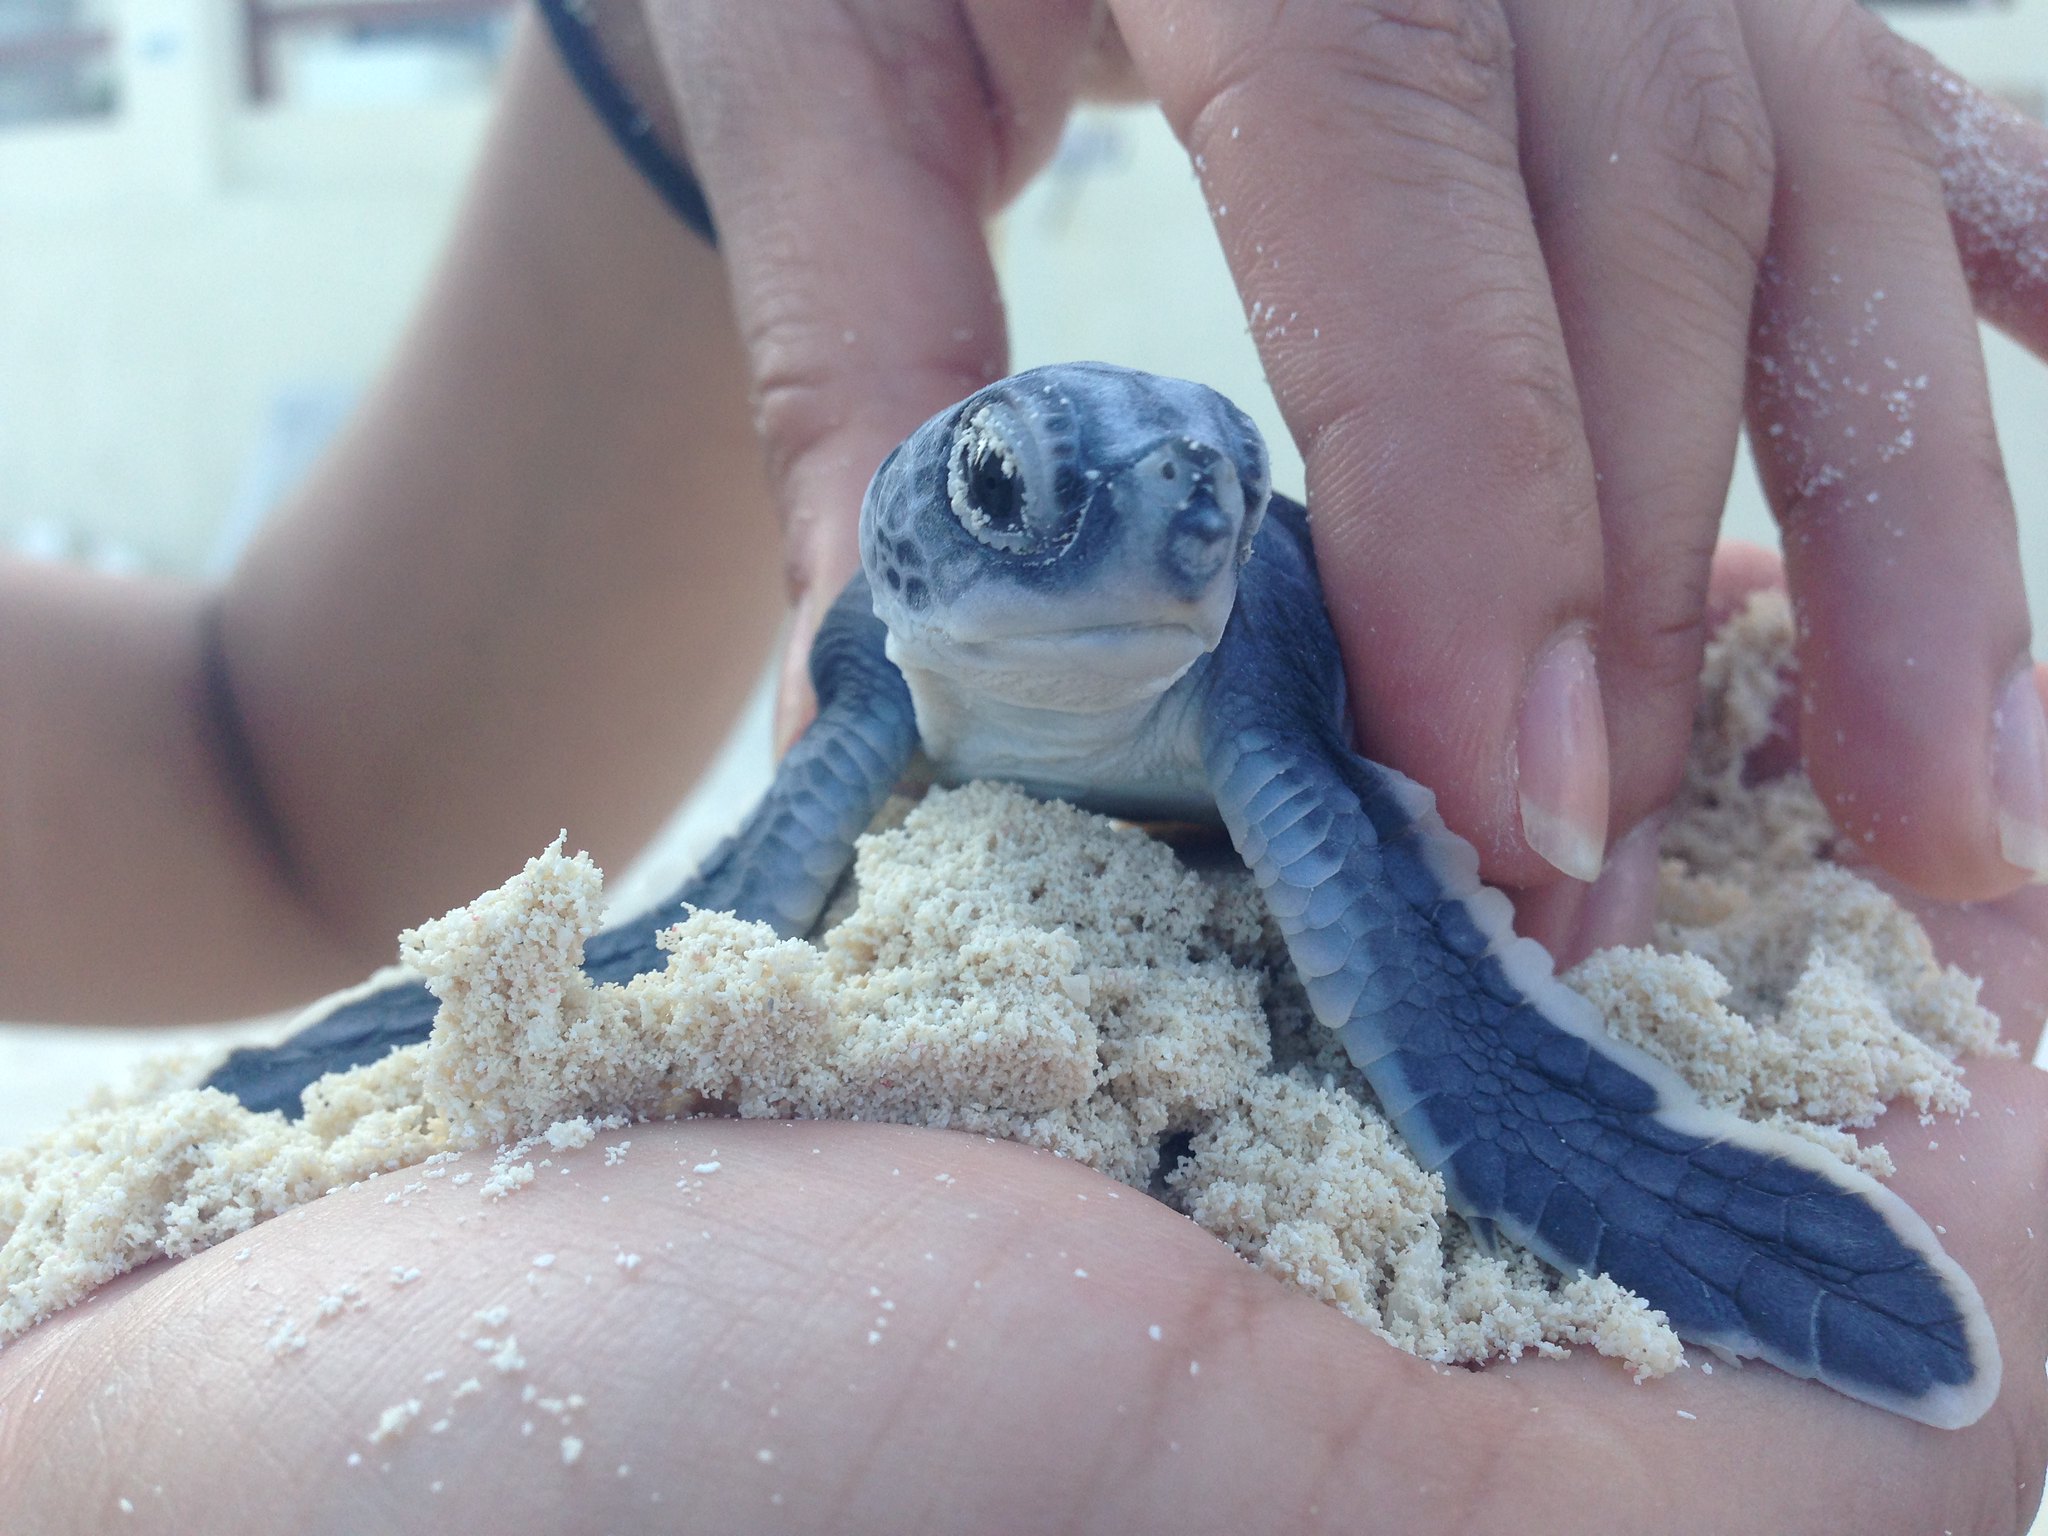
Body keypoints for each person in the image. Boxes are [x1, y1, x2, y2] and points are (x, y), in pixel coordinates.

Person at [0, 5, 2043, 1531]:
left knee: (1448, 1042)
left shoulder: (1232, 633)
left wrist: (648, 47)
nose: (1159, 551)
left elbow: (275, 781)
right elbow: (694, 925)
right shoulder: (882, 648)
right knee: (717, 915)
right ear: (899, 535)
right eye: (1014, 497)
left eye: (1211, 511)